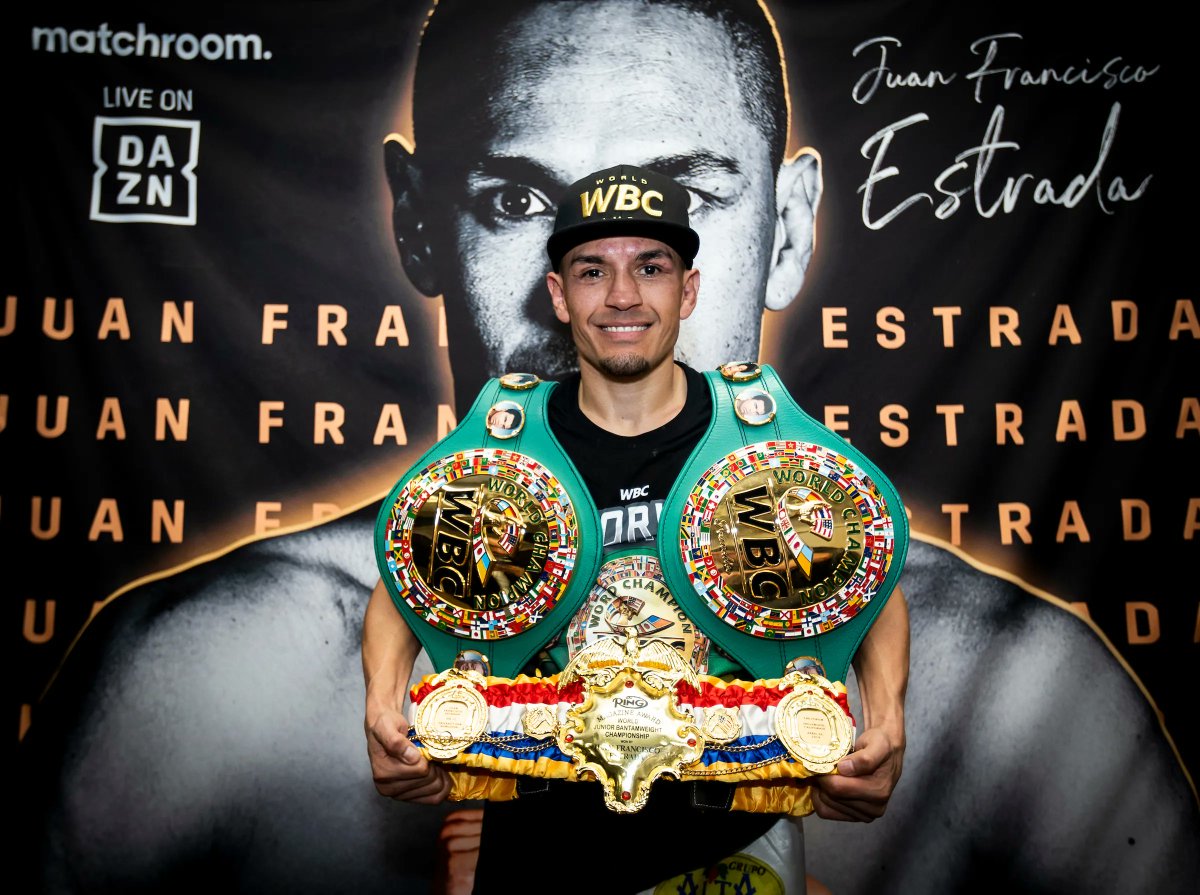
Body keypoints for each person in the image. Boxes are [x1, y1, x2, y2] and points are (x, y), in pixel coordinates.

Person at [16, 1, 1198, 893]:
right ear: (422, 226)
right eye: (520, 205)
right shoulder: (205, 681)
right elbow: (401, 570)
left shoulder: (1017, 695)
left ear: (778, 237)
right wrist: (388, 688)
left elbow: (868, 558)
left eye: (670, 225)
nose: (606, 299)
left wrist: (880, 696)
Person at [364, 162, 911, 893]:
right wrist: (383, 702)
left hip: (729, 849)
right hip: (541, 852)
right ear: (559, 295)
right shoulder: (505, 447)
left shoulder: (759, 441)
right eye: (592, 271)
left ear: (687, 287)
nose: (622, 296)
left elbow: (863, 580)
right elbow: (410, 579)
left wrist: (888, 716)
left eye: (650, 267)